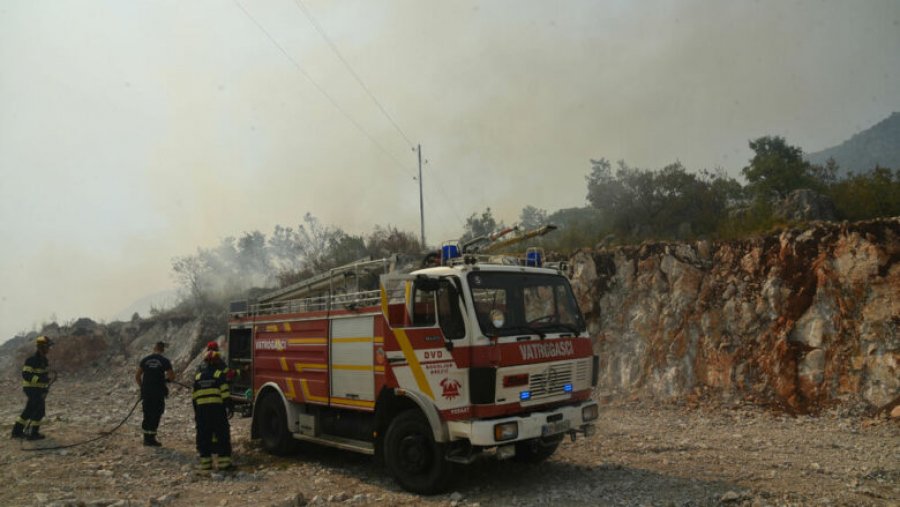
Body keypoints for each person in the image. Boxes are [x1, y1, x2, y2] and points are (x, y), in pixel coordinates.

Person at [192, 350, 234, 471]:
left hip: (202, 413)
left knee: (204, 437)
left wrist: (197, 413)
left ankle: (205, 464)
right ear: (216, 362)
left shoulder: (198, 377)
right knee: (222, 436)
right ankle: (224, 464)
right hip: (217, 411)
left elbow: (194, 398)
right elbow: (225, 394)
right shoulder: (219, 375)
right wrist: (230, 408)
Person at [11, 335, 53, 440]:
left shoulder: (44, 360)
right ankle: (31, 433)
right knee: (37, 410)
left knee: (31, 410)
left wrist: (45, 385)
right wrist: (39, 379)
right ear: (42, 347)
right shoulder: (31, 360)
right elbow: (26, 374)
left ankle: (19, 432)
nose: (49, 349)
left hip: (39, 390)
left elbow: (43, 376)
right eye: (48, 346)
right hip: (31, 389)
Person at [135, 341, 175, 446]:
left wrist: (143, 387)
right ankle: (151, 439)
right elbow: (172, 377)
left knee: (147, 413)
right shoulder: (164, 361)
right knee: (156, 413)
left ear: (154, 348)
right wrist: (166, 380)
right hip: (158, 392)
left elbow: (137, 376)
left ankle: (146, 439)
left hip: (147, 392)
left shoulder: (145, 360)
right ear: (163, 349)